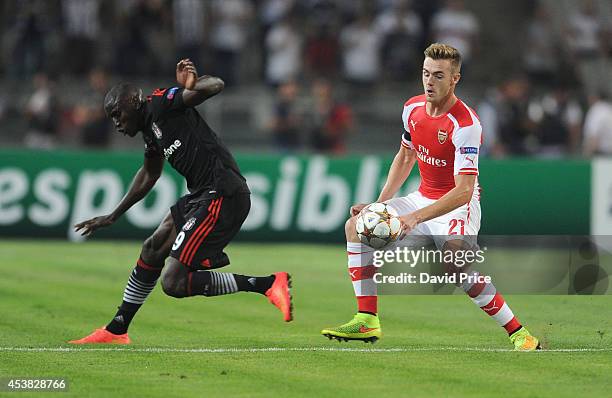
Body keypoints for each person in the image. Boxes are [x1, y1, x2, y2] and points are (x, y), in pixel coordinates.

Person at [321, 44, 540, 351]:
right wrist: (379, 204)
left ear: (455, 79)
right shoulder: (411, 108)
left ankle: (519, 333)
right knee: (354, 227)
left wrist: (416, 217)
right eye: (425, 74)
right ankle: (367, 319)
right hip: (421, 198)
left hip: (457, 206)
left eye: (438, 75)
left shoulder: (465, 125)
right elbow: (405, 157)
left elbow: (464, 190)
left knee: (456, 264)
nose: (429, 82)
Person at [69, 59, 293, 345]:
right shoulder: (150, 130)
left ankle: (266, 284)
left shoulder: (162, 103)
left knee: (173, 283)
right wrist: (114, 214)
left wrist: (193, 86)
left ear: (135, 102)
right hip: (202, 194)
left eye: (118, 115)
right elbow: (150, 172)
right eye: (111, 117)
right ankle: (116, 330)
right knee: (152, 248)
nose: (116, 124)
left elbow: (216, 85)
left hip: (222, 193)